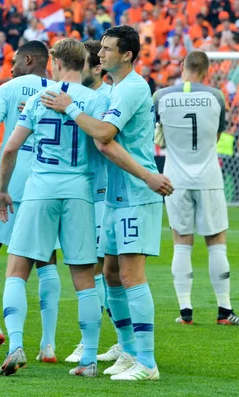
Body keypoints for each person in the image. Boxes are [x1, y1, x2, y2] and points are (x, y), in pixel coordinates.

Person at [41, 25, 173, 381]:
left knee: (131, 274)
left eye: (108, 49)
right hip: (116, 194)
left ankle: (147, 362)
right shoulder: (115, 88)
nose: (100, 54)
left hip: (135, 194)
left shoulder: (132, 88)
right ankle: (128, 350)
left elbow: (103, 135)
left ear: (127, 54)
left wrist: (68, 108)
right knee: (112, 273)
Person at [0, 38, 108, 377]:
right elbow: (104, 142)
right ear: (85, 63)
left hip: (41, 189)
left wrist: (2, 190)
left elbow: (11, 148)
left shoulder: (37, 98)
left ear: (56, 62)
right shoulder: (96, 99)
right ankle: (88, 359)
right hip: (79, 192)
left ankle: (16, 345)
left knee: (17, 269)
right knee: (84, 278)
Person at [0, 40, 59, 364]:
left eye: (13, 61)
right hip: (46, 179)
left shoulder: (9, 88)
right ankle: (48, 345)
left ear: (28, 59)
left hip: (10, 176)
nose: (10, 67)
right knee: (46, 257)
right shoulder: (59, 90)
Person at [153, 50, 239, 326]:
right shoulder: (216, 96)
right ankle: (224, 311)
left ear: (182, 66)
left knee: (182, 244)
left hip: (175, 179)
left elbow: (157, 134)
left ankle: (185, 312)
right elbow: (216, 136)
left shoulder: (161, 96)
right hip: (208, 177)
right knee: (216, 244)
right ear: (206, 71)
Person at [65, 39, 122, 365]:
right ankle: (117, 337)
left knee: (100, 269)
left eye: (84, 63)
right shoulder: (89, 97)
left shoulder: (104, 99)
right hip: (90, 194)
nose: (79, 69)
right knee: (102, 270)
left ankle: (97, 341)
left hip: (104, 193)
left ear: (96, 68)